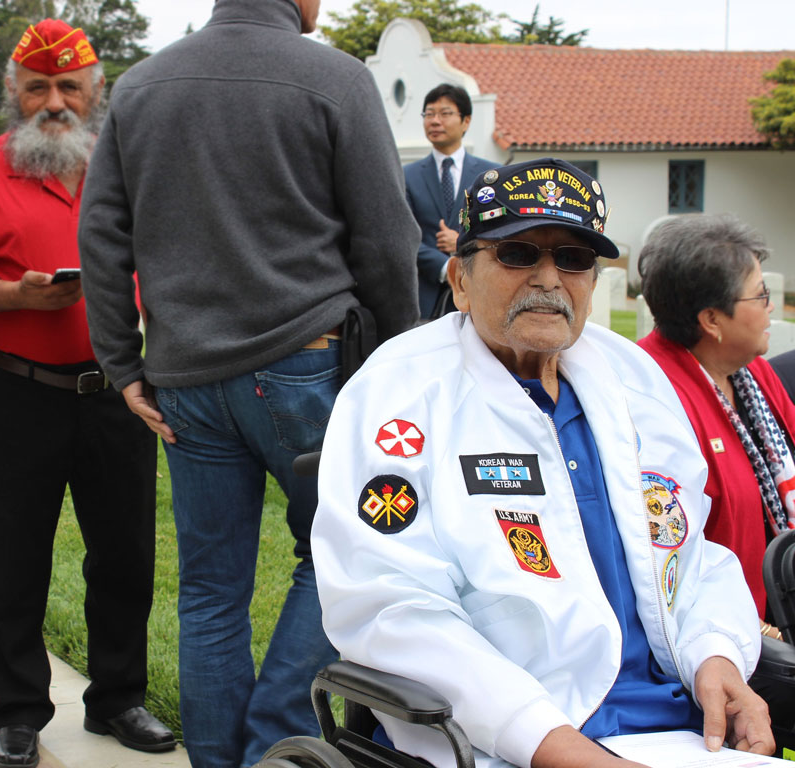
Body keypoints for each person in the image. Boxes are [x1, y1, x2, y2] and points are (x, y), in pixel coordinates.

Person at [312, 158, 773, 768]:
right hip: (504, 743)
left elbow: (694, 555)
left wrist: (716, 654)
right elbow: (391, 607)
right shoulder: (398, 395)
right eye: (518, 254)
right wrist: (556, 747)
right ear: (459, 279)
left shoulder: (634, 381)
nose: (549, 279)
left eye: (575, 259)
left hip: (682, 733)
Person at [77, 0, 421, 765]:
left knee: (209, 593)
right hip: (306, 363)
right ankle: (274, 746)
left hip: (185, 379)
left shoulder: (140, 87)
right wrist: (402, 359)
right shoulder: (335, 78)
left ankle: (225, 759)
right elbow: (387, 233)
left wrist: (120, 364)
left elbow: (100, 234)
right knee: (345, 556)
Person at [0, 19, 172, 768]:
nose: (54, 101)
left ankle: (119, 697)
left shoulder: (128, 170)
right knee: (11, 557)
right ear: (14, 94)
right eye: (38, 87)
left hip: (116, 393)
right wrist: (15, 297)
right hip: (16, 394)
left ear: (97, 92)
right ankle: (19, 711)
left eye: (70, 86)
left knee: (125, 555)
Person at [637, 214, 795, 639]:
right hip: (726, 635)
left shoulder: (753, 375)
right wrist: (759, 630)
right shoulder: (653, 396)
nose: (771, 306)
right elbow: (667, 556)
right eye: (759, 296)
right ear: (711, 320)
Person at [404, 83, 500, 319]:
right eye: (429, 114)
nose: (435, 121)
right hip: (422, 300)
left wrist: (462, 243)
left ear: (466, 121)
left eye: (445, 113)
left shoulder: (491, 176)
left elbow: (500, 231)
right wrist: (446, 267)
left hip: (477, 297)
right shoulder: (405, 175)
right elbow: (402, 236)